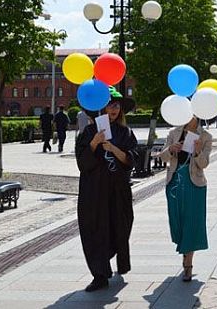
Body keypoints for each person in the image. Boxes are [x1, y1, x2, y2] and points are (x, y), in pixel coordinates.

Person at [75, 88, 138, 292]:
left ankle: (120, 262)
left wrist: (114, 149)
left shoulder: (125, 132)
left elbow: (131, 159)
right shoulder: (88, 133)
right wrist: (94, 143)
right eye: (111, 104)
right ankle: (100, 274)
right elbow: (82, 163)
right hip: (94, 193)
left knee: (121, 226)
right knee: (95, 230)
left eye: (117, 105)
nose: (115, 108)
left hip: (118, 191)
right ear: (101, 107)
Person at [159, 116, 212, 282]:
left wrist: (197, 152)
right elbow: (163, 157)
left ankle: (188, 262)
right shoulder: (174, 132)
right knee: (177, 221)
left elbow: (204, 164)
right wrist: (171, 149)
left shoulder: (205, 136)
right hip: (174, 181)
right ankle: (183, 248)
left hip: (194, 183)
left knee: (191, 221)